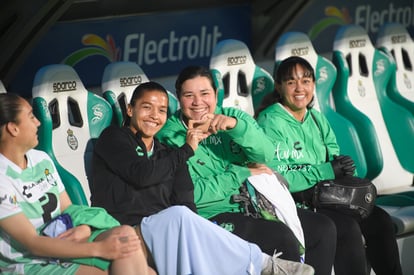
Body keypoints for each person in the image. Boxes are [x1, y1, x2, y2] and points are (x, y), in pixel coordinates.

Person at [90, 81, 315, 275]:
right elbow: (141, 175)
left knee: (188, 222)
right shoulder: (114, 137)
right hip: (125, 229)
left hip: (166, 235)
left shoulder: (167, 152)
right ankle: (263, 262)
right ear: (130, 110)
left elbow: (186, 199)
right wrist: (187, 149)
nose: (154, 116)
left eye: (161, 110)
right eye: (146, 107)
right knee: (178, 216)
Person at [157, 65, 336, 275]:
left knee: (323, 229)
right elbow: (194, 194)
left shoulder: (232, 116)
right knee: (280, 236)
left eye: (205, 93)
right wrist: (241, 173)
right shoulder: (170, 137)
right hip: (212, 216)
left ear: (216, 94)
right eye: (189, 95)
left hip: (256, 205)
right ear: (179, 99)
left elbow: (266, 155)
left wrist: (235, 127)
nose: (198, 102)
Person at [255, 56, 402, 275]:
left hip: (327, 198)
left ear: (314, 84)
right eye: (291, 82)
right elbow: (277, 178)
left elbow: (333, 157)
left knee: (380, 220)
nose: (299, 88)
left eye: (306, 81)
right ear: (279, 86)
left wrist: (343, 168)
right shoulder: (269, 121)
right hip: (295, 203)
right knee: (347, 228)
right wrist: (326, 170)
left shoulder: (316, 118)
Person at [0, 93, 155, 275]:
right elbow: (33, 244)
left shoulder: (40, 159)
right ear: (13, 129)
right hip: (29, 262)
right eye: (31, 117)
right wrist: (100, 249)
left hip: (63, 240)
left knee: (125, 235)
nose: (39, 123)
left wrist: (85, 227)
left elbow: (68, 208)